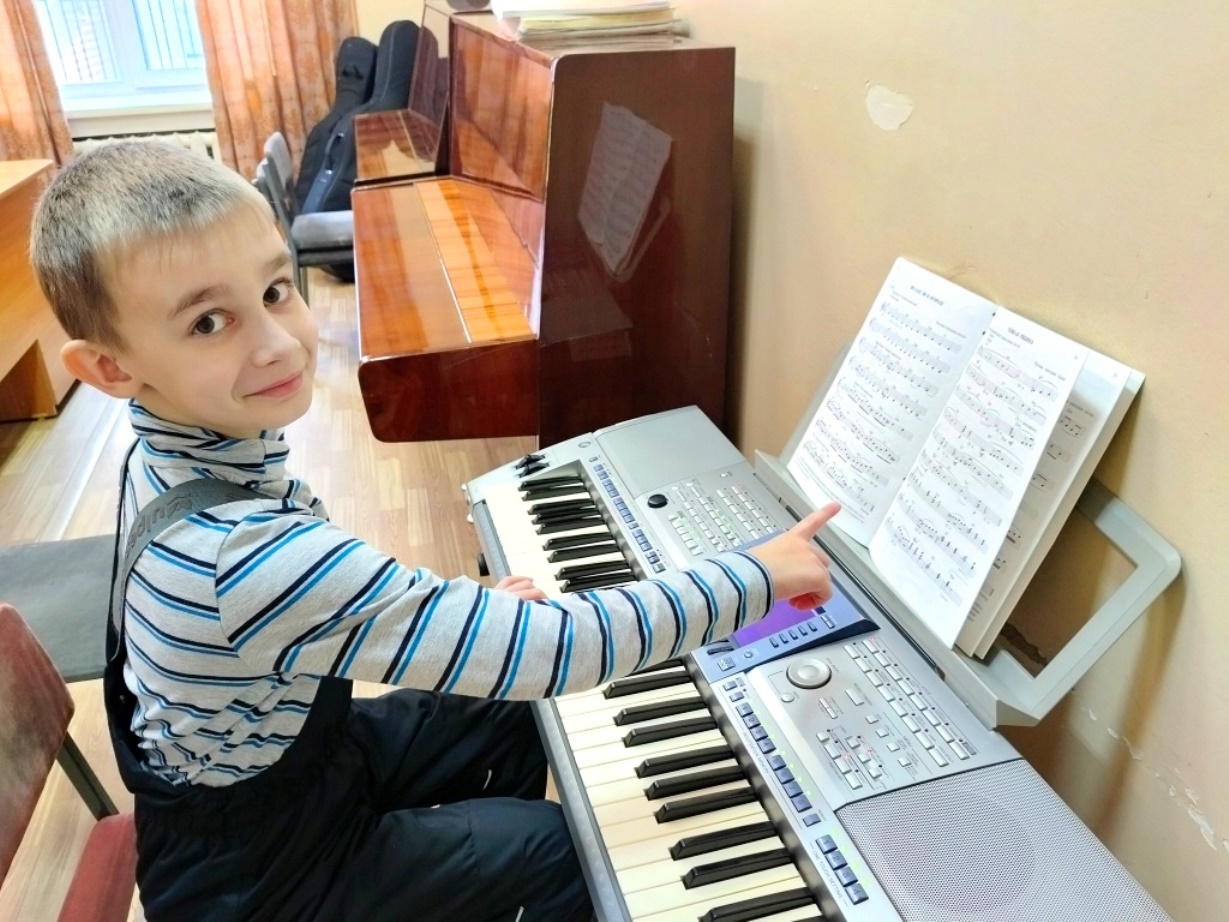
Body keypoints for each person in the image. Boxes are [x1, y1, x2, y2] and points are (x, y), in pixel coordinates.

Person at [30, 141, 840, 922]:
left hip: (287, 778)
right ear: (110, 368)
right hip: (256, 884)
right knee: (555, 849)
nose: (276, 343)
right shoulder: (240, 558)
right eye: (209, 323)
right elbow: (554, 650)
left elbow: (319, 609)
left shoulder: (174, 452)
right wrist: (755, 576)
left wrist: (463, 617)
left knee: (518, 718)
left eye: (275, 290)